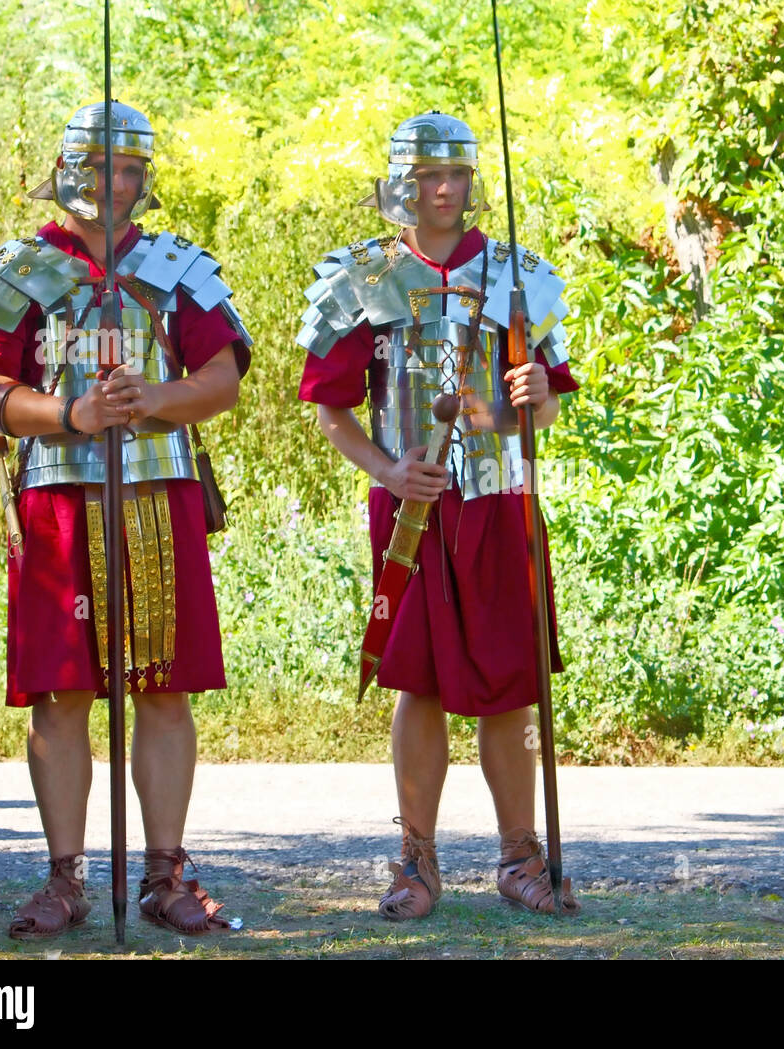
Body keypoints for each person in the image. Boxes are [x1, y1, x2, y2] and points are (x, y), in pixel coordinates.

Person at [0, 102, 251, 938]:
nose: (118, 183)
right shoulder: (17, 269)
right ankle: (65, 876)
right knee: (63, 690)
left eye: (131, 169)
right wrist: (70, 413)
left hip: (161, 486)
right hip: (57, 495)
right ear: (69, 170)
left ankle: (166, 872)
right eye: (102, 167)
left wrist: (155, 398)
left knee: (165, 688)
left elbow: (222, 376)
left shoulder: (177, 267)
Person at [296, 112, 580, 918]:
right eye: (427, 177)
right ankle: (415, 861)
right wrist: (389, 468)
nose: (443, 190)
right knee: (416, 683)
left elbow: (547, 408)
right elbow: (330, 409)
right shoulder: (365, 276)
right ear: (403, 185)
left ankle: (520, 855)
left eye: (453, 175)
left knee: (510, 687)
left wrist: (531, 398)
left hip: (499, 501)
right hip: (410, 511)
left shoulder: (517, 275)